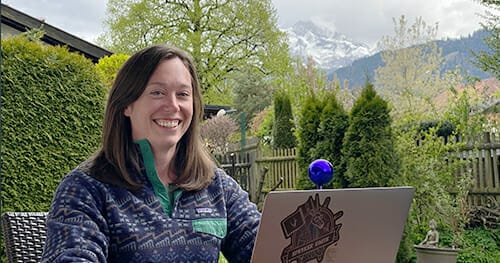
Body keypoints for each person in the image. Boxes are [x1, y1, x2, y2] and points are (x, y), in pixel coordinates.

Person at [41, 45, 261, 262]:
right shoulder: (86, 189)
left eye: (183, 94)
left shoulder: (216, 186)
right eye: (157, 92)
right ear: (127, 104)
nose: (173, 105)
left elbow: (266, 246)